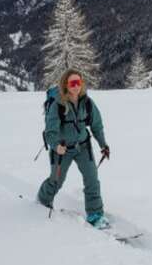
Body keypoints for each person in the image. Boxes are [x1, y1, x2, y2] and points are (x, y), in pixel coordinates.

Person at [37, 68, 111, 228]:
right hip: (62, 149)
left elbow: (97, 125)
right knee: (56, 180)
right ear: (66, 85)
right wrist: (56, 146)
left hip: (83, 146)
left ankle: (95, 215)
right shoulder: (58, 105)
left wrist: (103, 144)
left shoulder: (87, 102)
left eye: (79, 82)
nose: (76, 86)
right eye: (72, 83)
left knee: (92, 179)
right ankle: (42, 201)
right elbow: (50, 131)